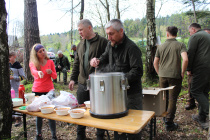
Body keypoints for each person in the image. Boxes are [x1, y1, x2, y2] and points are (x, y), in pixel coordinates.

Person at [90, 19, 143, 139]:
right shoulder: (110, 45)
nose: (108, 37)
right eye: (107, 34)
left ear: (121, 31)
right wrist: (96, 60)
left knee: (132, 127)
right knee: (118, 125)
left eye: (111, 34)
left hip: (131, 95)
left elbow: (138, 71)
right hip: (116, 94)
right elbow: (104, 58)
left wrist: (118, 81)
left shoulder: (131, 48)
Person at [69, 19, 108, 140]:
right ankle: (80, 136)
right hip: (82, 83)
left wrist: (99, 61)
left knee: (99, 111)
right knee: (80, 111)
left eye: (81, 29)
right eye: (78, 30)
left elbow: (109, 58)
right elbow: (77, 63)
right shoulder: (80, 44)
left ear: (89, 28)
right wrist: (72, 79)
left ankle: (100, 136)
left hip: (97, 83)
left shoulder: (103, 42)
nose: (79, 32)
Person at [153, 26, 188, 131]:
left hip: (162, 76)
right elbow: (185, 59)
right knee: (172, 99)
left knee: (164, 97)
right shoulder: (180, 45)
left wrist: (160, 73)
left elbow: (155, 62)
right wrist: (182, 72)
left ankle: (164, 117)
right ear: (176, 34)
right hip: (174, 76)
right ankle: (169, 123)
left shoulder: (161, 46)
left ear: (167, 34)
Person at [29, 44, 57, 140]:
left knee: (51, 113)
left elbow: (55, 76)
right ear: (36, 54)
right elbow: (33, 71)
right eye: (40, 51)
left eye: (43, 50)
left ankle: (54, 136)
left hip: (49, 90)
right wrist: (38, 72)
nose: (43, 53)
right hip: (38, 90)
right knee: (38, 114)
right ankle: (38, 135)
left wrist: (51, 73)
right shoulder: (33, 63)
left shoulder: (50, 62)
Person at [187, 23, 210, 130]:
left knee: (195, 90)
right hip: (208, 68)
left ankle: (205, 112)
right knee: (204, 91)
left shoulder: (195, 36)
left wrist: (189, 69)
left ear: (193, 29)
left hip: (201, 68)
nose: (190, 33)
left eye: (189, 32)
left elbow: (190, 53)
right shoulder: (207, 36)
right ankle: (201, 117)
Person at [9, 51, 26, 127]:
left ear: (14, 56)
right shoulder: (7, 65)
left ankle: (18, 118)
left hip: (16, 87)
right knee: (10, 101)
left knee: (17, 101)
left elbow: (23, 77)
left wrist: (14, 77)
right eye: (8, 57)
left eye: (10, 56)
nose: (9, 58)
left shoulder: (18, 65)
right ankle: (12, 116)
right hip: (9, 87)